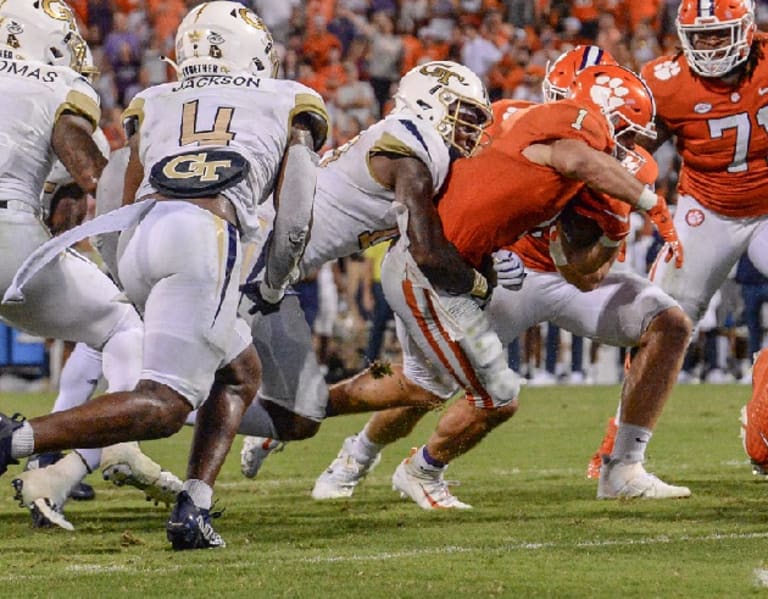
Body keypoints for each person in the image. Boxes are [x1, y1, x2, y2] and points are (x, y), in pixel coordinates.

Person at [0, 1, 328, 550]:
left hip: (142, 233)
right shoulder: (289, 98)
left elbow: (111, 198)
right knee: (164, 405)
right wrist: (272, 284)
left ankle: (193, 508)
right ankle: (18, 439)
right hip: (205, 232)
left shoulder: (152, 100)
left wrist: (123, 268)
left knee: (239, 372)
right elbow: (294, 217)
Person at [312, 63, 686, 509]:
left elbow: (586, 274)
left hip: (562, 278)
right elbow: (454, 201)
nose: (629, 145)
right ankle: (357, 455)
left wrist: (604, 234)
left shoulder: (629, 166)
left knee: (670, 323)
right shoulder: (505, 119)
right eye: (621, 129)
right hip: (501, 271)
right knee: (432, 382)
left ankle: (623, 467)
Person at [238, 60, 495, 478]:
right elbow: (427, 252)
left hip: (272, 265)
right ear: (432, 102)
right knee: (192, 384)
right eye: (464, 115)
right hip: (255, 261)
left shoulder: (411, 142)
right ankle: (127, 448)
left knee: (300, 409)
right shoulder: (416, 141)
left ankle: (200, 465)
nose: (469, 131)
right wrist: (479, 285)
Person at [588, 0, 768, 475]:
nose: (709, 45)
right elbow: (631, 150)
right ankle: (621, 450)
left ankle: (765, 410)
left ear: (748, 29)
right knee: (662, 324)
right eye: (701, 36)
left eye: (720, 34)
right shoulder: (664, 81)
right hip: (705, 211)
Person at [0, 0, 156, 529]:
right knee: (119, 323)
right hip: (8, 231)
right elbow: (90, 172)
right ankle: (104, 446)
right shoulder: (57, 83)